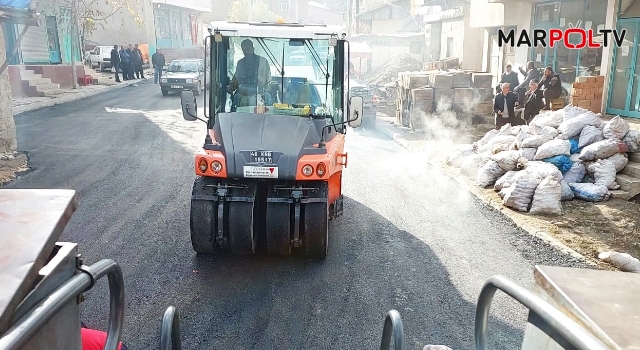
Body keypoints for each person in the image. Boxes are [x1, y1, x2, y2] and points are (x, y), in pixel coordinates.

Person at [226, 39, 271, 108]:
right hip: (242, 94)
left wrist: (260, 81)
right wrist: (231, 86)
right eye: (244, 50)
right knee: (235, 100)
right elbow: (236, 79)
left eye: (248, 49)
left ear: (253, 48)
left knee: (268, 98)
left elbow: (267, 80)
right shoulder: (240, 63)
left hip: (259, 93)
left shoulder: (263, 62)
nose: (246, 52)